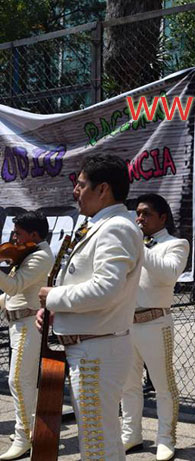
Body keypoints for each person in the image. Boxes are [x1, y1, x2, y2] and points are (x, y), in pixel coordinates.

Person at [37, 153, 143, 460]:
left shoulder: (116, 228)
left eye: (81, 185)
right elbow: (87, 281)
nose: (75, 191)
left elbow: (105, 289)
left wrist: (53, 297)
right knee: (97, 439)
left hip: (97, 352)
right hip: (91, 347)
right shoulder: (103, 224)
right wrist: (56, 313)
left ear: (103, 189)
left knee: (99, 443)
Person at [120, 193, 189, 460]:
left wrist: (139, 247)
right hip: (125, 322)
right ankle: (131, 434)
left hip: (155, 322)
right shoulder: (133, 244)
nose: (140, 218)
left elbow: (169, 273)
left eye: (146, 213)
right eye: (138, 213)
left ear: (162, 217)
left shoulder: (176, 244)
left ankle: (165, 438)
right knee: (128, 385)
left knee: (163, 384)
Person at [0, 211, 54, 460]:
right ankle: (30, 429)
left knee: (19, 381)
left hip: (27, 325)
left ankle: (24, 437)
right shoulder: (28, 253)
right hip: (18, 323)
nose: (13, 238)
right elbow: (12, 295)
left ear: (34, 234)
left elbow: (14, 286)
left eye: (18, 234)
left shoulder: (41, 256)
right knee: (23, 381)